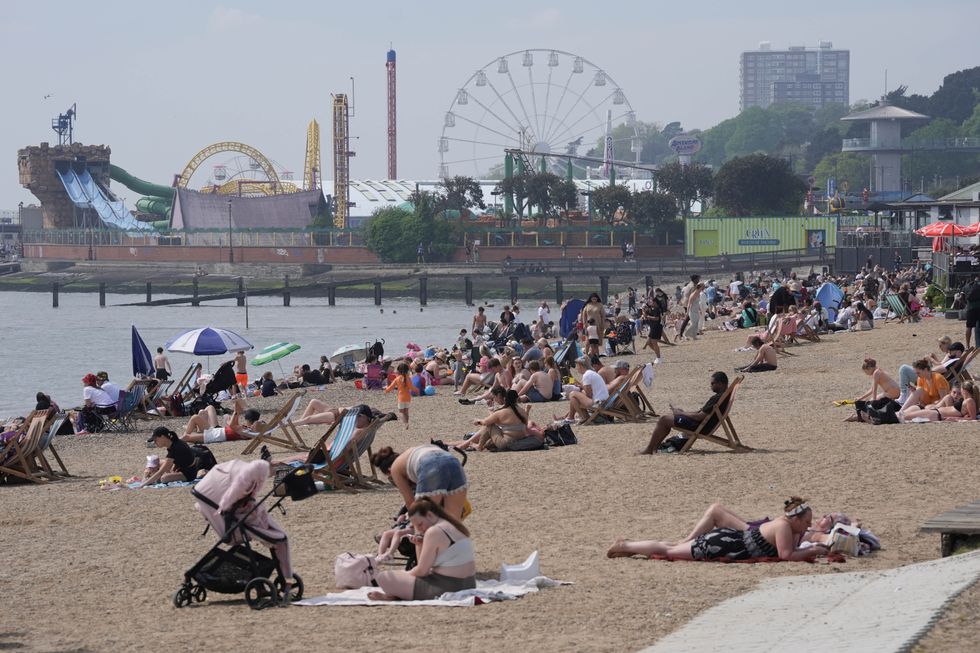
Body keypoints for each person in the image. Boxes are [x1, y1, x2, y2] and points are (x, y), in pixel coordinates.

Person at [192, 458, 295, 604]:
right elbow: (227, 503)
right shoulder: (241, 484)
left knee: (277, 537)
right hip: (232, 517)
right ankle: (263, 586)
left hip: (238, 510)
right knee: (276, 538)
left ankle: (279, 580)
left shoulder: (247, 481)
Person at [606, 497, 830, 562]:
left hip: (730, 541)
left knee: (673, 548)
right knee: (670, 551)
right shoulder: (782, 526)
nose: (808, 525)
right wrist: (813, 550)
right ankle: (625, 545)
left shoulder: (792, 527)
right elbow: (786, 555)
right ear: (795, 519)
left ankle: (631, 547)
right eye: (806, 521)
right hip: (722, 544)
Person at [368, 498, 476, 601]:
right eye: (415, 526)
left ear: (429, 515)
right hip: (469, 584)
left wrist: (404, 575)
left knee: (384, 577)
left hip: (447, 586)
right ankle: (396, 595)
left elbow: (422, 571)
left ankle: (394, 595)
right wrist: (419, 545)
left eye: (420, 524)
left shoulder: (434, 532)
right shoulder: (452, 525)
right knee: (399, 576)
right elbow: (423, 567)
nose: (419, 530)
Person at [639, 371, 729, 454]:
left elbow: (699, 416)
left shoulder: (717, 398)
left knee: (664, 419)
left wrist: (680, 414)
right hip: (703, 424)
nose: (710, 386)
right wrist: (683, 412)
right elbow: (700, 412)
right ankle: (654, 447)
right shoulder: (724, 396)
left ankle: (649, 449)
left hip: (699, 426)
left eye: (712, 383)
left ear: (720, 384)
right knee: (666, 418)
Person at [371, 445, 469, 520]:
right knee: (454, 523)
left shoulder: (394, 468)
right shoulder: (409, 454)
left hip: (430, 464)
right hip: (453, 461)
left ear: (389, 470)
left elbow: (410, 502)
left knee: (423, 517)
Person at [141, 426, 207, 486]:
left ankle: (148, 479)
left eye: (155, 440)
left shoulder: (175, 448)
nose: (155, 443)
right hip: (183, 468)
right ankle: (149, 477)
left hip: (189, 474)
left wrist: (143, 484)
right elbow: (179, 459)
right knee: (159, 463)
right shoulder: (174, 443)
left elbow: (161, 472)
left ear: (162, 437)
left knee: (164, 478)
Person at [181, 398, 263, 444]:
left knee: (187, 436)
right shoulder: (246, 429)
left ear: (248, 420)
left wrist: (236, 412)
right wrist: (235, 413)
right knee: (197, 416)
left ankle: (183, 437)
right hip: (215, 432)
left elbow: (233, 426)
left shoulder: (246, 431)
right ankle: (191, 431)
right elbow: (234, 426)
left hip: (214, 436)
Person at [558, 356, 609, 422]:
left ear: (580, 365)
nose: (577, 368)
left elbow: (589, 394)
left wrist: (581, 393)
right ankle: (571, 417)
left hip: (599, 403)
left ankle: (583, 417)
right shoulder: (591, 373)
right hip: (604, 401)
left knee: (572, 394)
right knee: (575, 397)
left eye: (577, 366)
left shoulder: (587, 375)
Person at [900, 381, 978, 422]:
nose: (959, 394)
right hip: (935, 413)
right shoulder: (967, 400)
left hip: (937, 414)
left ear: (964, 391)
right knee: (904, 416)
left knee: (904, 417)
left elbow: (973, 418)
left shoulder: (969, 400)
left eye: (961, 391)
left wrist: (954, 419)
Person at [385, 362, 413, 430]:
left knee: (402, 412)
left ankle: (405, 424)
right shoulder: (408, 378)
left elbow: (391, 387)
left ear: (398, 371)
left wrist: (386, 390)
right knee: (406, 411)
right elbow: (411, 386)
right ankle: (407, 422)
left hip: (401, 398)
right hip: (408, 397)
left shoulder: (397, 378)